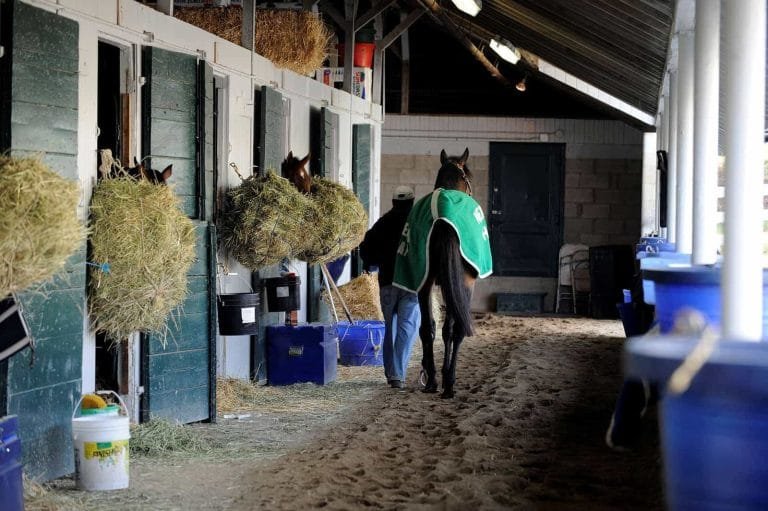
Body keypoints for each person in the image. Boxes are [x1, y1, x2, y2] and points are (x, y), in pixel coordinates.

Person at [359, 185, 421, 389]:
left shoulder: (382, 223)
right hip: (410, 283)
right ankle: (398, 373)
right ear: (412, 202)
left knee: (390, 328)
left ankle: (392, 374)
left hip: (387, 284)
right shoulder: (417, 225)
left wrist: (372, 264)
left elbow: (366, 246)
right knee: (407, 328)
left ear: (393, 202)